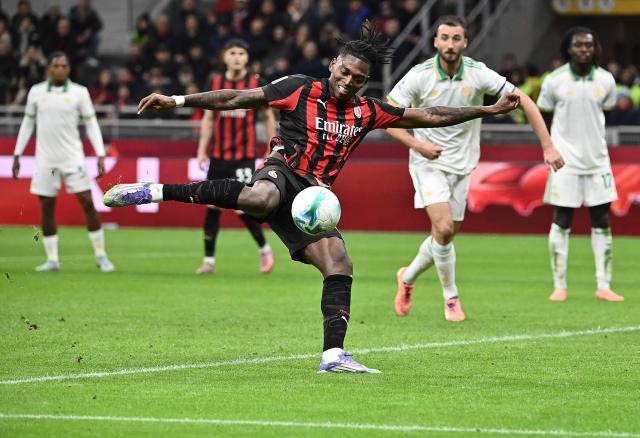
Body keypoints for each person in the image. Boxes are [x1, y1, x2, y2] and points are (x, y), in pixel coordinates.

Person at [103, 22, 519, 373]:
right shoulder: (298, 89)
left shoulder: (368, 111)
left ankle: (334, 355)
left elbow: (428, 115)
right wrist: (176, 100)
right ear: (333, 65)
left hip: (314, 199)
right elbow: (235, 98)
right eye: (346, 72)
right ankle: (153, 191)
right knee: (262, 198)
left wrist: (485, 110)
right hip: (283, 173)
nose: (349, 82)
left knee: (340, 262)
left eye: (358, 79)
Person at [386, 16, 564, 322]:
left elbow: (523, 101)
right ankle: (451, 298)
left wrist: (547, 145)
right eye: (445, 38)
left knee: (444, 237)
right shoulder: (420, 75)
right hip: (428, 162)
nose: (451, 44)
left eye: (457, 39)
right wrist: (418, 146)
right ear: (436, 42)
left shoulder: (478, 74)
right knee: (442, 229)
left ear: (465, 43)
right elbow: (386, 115)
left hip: (463, 164)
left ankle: (408, 276)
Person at [537, 27, 623, 302]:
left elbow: (605, 110)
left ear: (595, 48)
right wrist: (552, 146)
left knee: (602, 221)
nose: (584, 49)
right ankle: (559, 285)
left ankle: (603, 285)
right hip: (565, 163)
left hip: (598, 161)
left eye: (588, 45)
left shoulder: (607, 80)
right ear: (568, 49)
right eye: (578, 45)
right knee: (562, 221)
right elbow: (543, 114)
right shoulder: (554, 81)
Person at [12, 51, 115, 273]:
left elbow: (91, 124)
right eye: (56, 65)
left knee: (87, 202)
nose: (60, 69)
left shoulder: (79, 92)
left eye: (64, 65)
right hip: (46, 159)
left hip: (73, 158)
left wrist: (99, 154)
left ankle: (101, 255)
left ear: (68, 69)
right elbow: (27, 124)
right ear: (49, 68)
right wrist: (18, 153)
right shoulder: (36, 92)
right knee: (46, 206)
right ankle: (52, 259)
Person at [195, 39, 277, 274]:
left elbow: (268, 116)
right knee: (211, 205)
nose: (237, 57)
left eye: (242, 52)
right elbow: (208, 118)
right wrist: (202, 149)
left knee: (245, 207)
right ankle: (209, 261)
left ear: (247, 58)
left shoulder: (255, 83)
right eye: (233, 52)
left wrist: (273, 146)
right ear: (225, 57)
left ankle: (264, 249)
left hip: (244, 157)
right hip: (219, 157)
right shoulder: (215, 82)